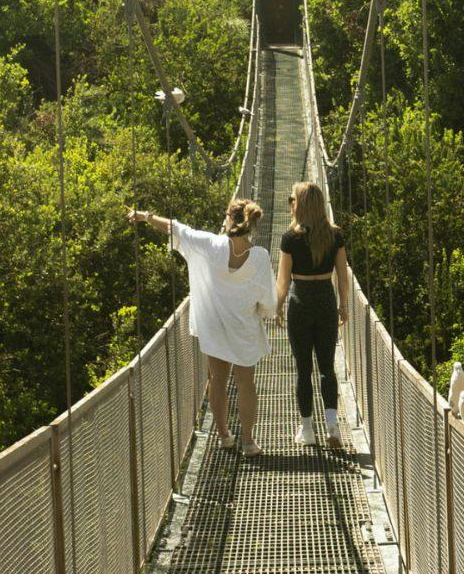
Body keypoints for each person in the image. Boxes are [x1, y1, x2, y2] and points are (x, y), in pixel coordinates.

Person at [128, 199, 276, 457]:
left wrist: (145, 216)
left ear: (230, 219)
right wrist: (263, 312)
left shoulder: (210, 245)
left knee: (218, 379)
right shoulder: (260, 256)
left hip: (214, 324)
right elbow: (267, 299)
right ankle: (249, 442)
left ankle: (224, 436)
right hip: (243, 327)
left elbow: (176, 228)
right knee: (246, 383)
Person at [275, 181, 349, 447]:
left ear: (301, 204)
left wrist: (278, 307)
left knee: (303, 369)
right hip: (326, 302)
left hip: (300, 303)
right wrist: (343, 305)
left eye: (292, 199)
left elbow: (283, 281)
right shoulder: (335, 235)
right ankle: (332, 427)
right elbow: (343, 278)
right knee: (327, 367)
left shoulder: (290, 238)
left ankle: (307, 430)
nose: (290, 203)